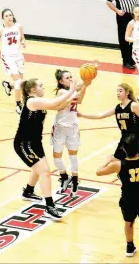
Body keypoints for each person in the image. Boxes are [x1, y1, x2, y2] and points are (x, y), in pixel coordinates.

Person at [14, 77, 78, 220]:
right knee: (45, 171)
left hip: (35, 142)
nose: (43, 87)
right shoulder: (32, 101)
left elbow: (56, 106)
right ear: (32, 90)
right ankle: (49, 206)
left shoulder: (39, 102)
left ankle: (28, 191)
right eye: (41, 85)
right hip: (25, 143)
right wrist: (71, 91)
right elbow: (55, 102)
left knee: (38, 168)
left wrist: (71, 99)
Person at [96, 134, 139, 264]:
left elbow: (98, 172)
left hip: (127, 201)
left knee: (129, 222)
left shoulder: (118, 165)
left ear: (124, 150)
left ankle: (129, 246)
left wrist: (107, 160)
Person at [78, 83, 139, 162]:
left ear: (127, 93)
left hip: (135, 138)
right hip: (124, 138)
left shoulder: (133, 105)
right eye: (117, 91)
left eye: (120, 91)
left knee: (136, 165)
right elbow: (100, 115)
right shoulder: (117, 108)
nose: (118, 93)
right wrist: (82, 115)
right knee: (117, 163)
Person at [51, 69, 91, 197]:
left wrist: (87, 79)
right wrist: (83, 83)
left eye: (71, 77)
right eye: (67, 78)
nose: (70, 79)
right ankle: (64, 176)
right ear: (61, 81)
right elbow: (74, 93)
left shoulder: (72, 91)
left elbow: (79, 100)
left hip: (72, 127)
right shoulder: (61, 92)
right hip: (60, 128)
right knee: (57, 157)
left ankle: (74, 180)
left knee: (73, 156)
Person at [0, 8, 26, 114]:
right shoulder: (0, 29)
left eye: (10, 15)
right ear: (3, 18)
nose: (9, 17)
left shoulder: (18, 26)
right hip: (7, 57)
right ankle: (18, 105)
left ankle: (8, 85)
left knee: (22, 82)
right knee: (18, 81)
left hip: (18, 55)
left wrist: (24, 43)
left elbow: (23, 38)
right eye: (6, 16)